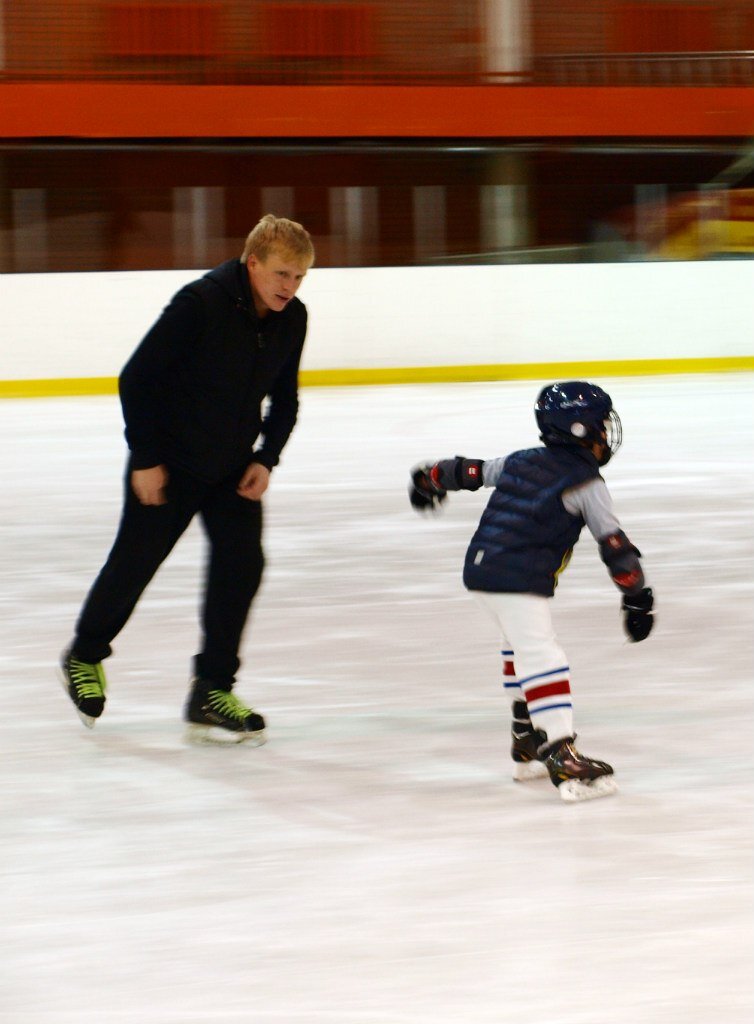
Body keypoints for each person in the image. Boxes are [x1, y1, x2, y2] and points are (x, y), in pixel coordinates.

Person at [60, 214, 315, 745]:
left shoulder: (292, 319)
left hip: (231, 468)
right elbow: (136, 378)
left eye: (299, 278)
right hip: (172, 463)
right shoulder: (199, 303)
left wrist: (266, 458)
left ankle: (212, 688)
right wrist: (146, 457)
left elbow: (285, 399)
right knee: (136, 560)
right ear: (253, 264)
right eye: (282, 274)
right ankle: (85, 654)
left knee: (242, 564)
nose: (289, 287)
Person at [408, 381, 654, 802]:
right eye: (599, 427)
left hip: (481, 570)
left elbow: (470, 471)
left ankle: (526, 737)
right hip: (519, 578)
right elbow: (615, 548)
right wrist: (637, 597)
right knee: (543, 654)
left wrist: (429, 478)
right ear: (579, 431)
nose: (604, 435)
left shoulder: (521, 461)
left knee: (518, 647)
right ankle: (560, 750)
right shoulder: (586, 484)